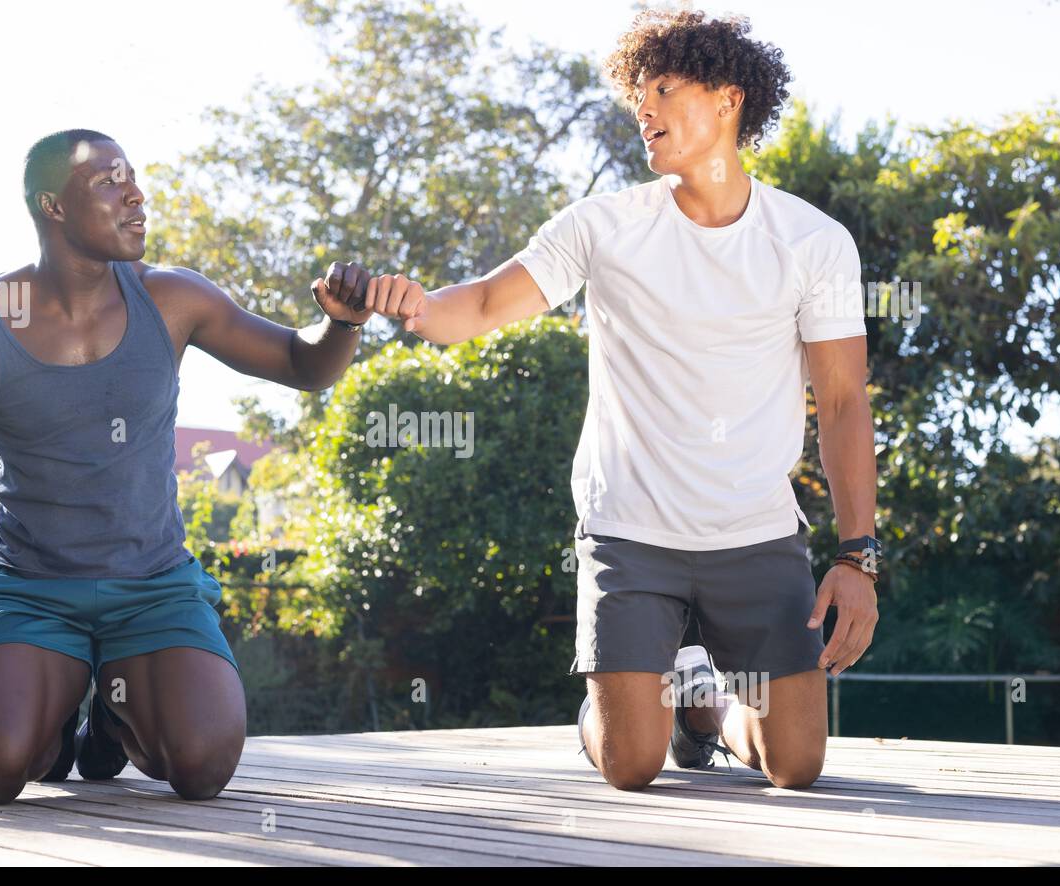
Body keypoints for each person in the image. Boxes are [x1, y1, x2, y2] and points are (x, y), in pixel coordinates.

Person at [365, 10, 880, 791]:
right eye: (638, 94)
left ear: (728, 99)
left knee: (797, 765)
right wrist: (411, 302)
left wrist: (857, 556)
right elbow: (474, 309)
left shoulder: (813, 241)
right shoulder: (603, 227)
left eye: (664, 89)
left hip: (755, 531)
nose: (644, 109)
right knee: (632, 764)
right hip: (631, 531)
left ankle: (703, 697)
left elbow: (842, 403)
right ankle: (626, 712)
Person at [0, 129, 372, 804]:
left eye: (134, 177)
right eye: (108, 181)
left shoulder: (173, 298)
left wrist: (343, 326)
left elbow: (301, 363)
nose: (135, 193)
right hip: (30, 590)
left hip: (153, 586)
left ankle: (115, 719)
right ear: (53, 206)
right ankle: (55, 731)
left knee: (203, 764)